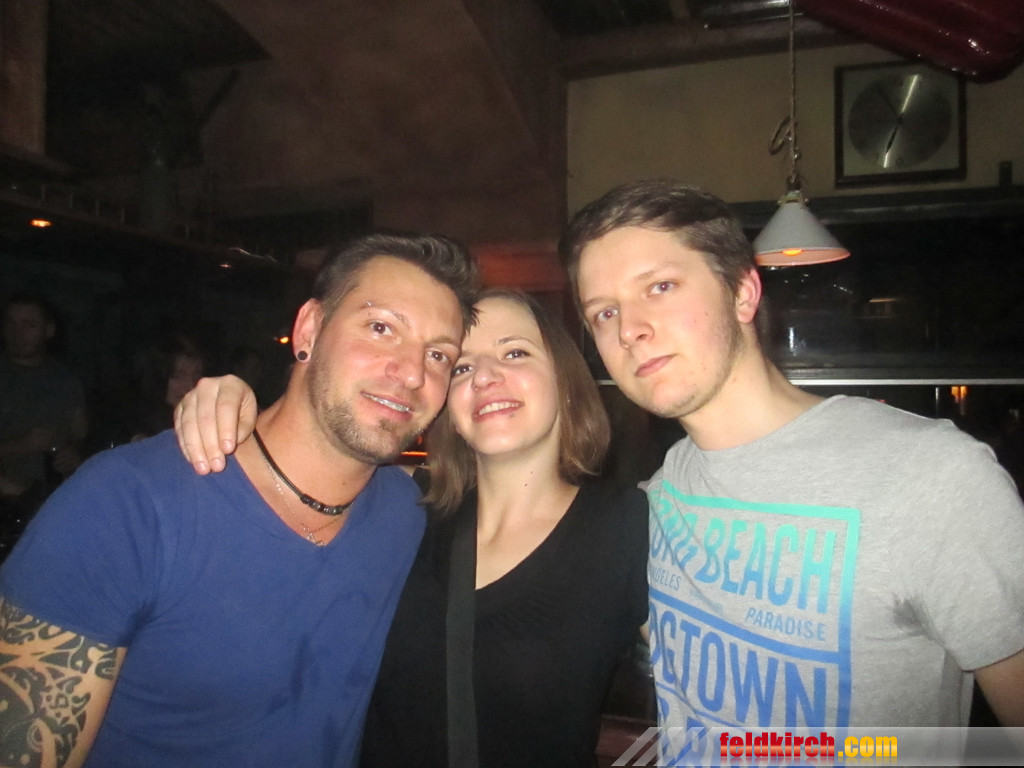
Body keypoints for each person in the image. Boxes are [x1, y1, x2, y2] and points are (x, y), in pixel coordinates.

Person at [558, 179, 1024, 756]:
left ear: (743, 293)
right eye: (604, 312)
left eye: (660, 286)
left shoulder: (932, 478)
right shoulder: (652, 504)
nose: (629, 329)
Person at [0, 232, 477, 768]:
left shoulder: (408, 514)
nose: (412, 372)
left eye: (439, 355)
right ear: (309, 329)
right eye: (381, 327)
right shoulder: (125, 503)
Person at [175, 288, 650, 767]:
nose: (485, 376)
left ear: (565, 379)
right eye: (461, 367)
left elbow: (700, 698)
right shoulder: (400, 506)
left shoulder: (630, 530)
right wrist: (233, 402)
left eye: (514, 353)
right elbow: (301, 454)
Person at [0, 292, 87, 519]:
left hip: (52, 502)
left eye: (28, 325)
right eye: (11, 324)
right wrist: (20, 445)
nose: (17, 333)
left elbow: (81, 436)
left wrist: (74, 454)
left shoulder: (66, 380)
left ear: (48, 330)